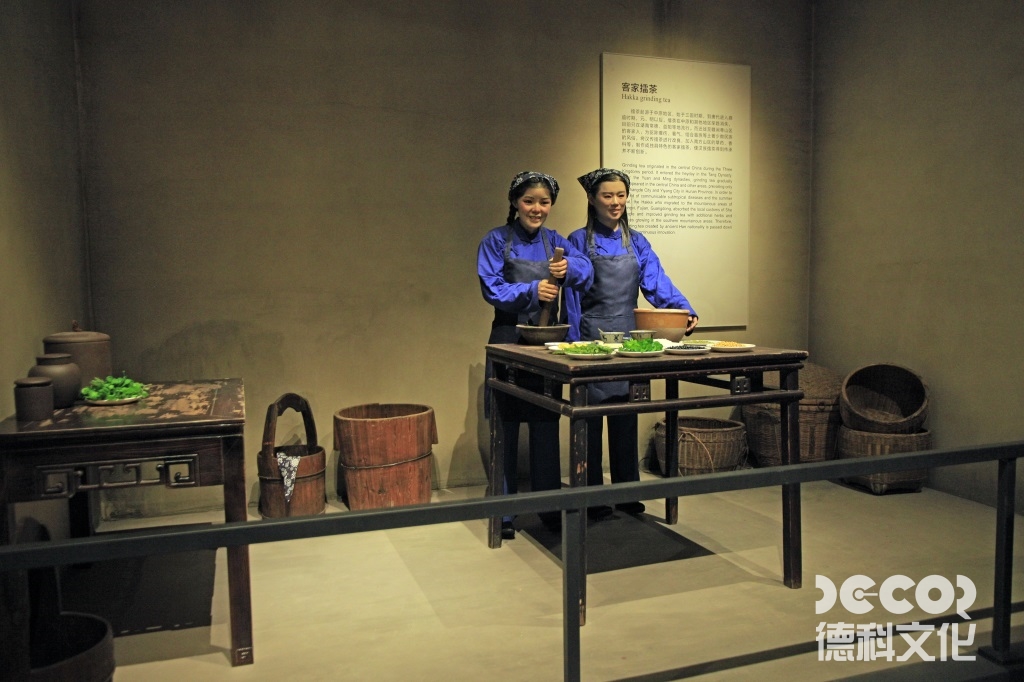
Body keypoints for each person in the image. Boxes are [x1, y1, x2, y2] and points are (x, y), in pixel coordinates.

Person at [564, 168, 698, 517]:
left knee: (626, 415)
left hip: (629, 339)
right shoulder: (577, 240)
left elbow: (656, 281)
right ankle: (590, 496)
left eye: (621, 195)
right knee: (589, 421)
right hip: (591, 339)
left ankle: (626, 492)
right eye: (607, 195)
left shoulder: (636, 241)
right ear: (592, 199)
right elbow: (572, 298)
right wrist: (574, 341)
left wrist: (683, 309)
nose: (615, 202)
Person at [478, 171, 593, 537]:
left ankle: (548, 507)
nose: (536, 209)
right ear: (515, 202)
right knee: (506, 425)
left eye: (544, 202)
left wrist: (569, 268)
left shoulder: (556, 241)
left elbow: (587, 270)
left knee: (546, 424)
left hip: (547, 345)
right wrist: (532, 291)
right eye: (529, 201)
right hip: (508, 340)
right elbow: (491, 288)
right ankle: (504, 511)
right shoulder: (496, 240)